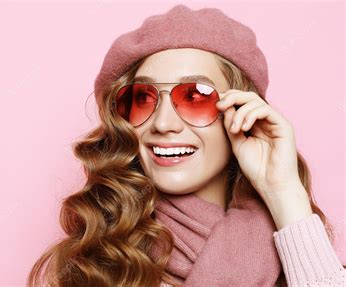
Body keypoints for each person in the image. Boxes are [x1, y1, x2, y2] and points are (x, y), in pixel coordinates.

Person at [28, 4, 345, 286]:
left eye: (195, 96)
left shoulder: (299, 246)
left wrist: (284, 193)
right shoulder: (98, 266)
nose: (163, 123)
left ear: (241, 112)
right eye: (142, 98)